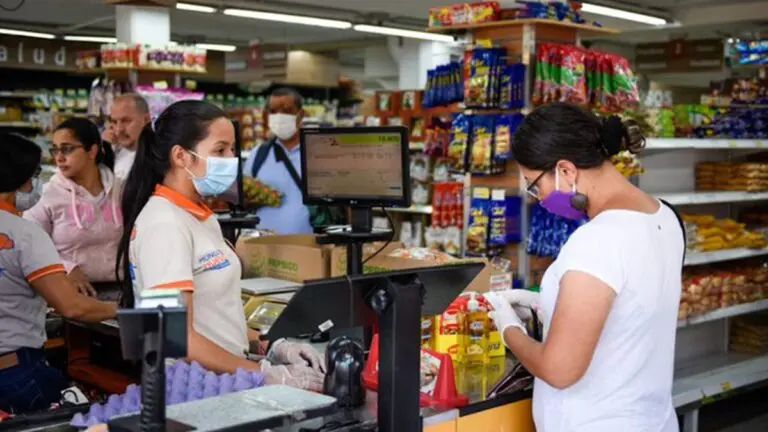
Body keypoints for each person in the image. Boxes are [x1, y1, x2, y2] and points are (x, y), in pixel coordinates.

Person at [484, 103, 683, 432]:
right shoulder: (664, 216)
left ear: (566, 170)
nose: (538, 197)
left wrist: (509, 330)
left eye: (535, 185)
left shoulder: (597, 240)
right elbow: (631, 308)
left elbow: (560, 370)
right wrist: (547, 302)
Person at [116, 100, 324, 391]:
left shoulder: (201, 217)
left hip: (225, 380)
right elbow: (176, 339)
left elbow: (218, 314)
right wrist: (263, 373)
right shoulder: (162, 224)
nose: (232, 159)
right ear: (181, 157)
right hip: (193, 388)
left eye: (233, 150)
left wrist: (271, 346)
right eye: (220, 150)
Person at [0, 133, 117, 413]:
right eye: (35, 174)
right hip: (15, 373)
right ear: (19, 179)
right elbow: (72, 306)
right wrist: (121, 310)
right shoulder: (23, 233)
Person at [24, 118, 122, 297]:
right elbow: (30, 245)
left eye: (67, 149)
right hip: (67, 293)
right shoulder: (45, 195)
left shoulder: (121, 190)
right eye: (55, 150)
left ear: (92, 151)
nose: (59, 158)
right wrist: (67, 267)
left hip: (122, 289)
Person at [243, 87, 313, 234]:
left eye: (287, 111)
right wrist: (255, 198)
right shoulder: (258, 155)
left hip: (310, 245)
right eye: (273, 112)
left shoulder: (316, 153)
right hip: (264, 245)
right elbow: (243, 198)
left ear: (300, 115)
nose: (279, 116)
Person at [109, 93, 151, 180]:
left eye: (126, 121)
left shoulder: (161, 160)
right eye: (114, 122)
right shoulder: (113, 154)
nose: (118, 129)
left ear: (146, 119)